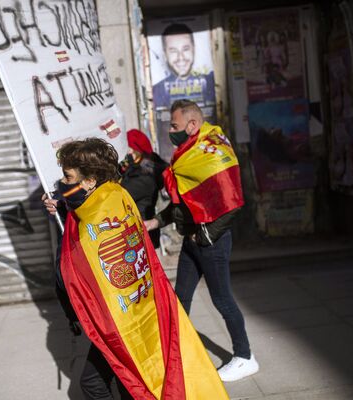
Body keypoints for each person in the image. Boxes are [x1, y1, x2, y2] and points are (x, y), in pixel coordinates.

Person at [43, 138, 229, 399]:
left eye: (68, 176)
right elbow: (80, 217)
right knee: (129, 381)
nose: (63, 182)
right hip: (137, 311)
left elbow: (78, 255)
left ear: (89, 180)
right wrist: (63, 206)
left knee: (104, 383)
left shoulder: (96, 213)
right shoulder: (115, 195)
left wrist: (65, 208)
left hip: (121, 322)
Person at [144, 100, 260, 382]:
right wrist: (156, 221)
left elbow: (232, 202)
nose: (171, 131)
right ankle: (177, 353)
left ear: (192, 125)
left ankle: (245, 356)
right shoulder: (188, 154)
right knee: (180, 298)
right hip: (193, 239)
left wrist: (205, 235)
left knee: (222, 300)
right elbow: (184, 204)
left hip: (212, 241)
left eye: (174, 125)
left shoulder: (212, 152)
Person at [119, 129, 168, 249]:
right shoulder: (135, 169)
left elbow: (120, 195)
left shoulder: (145, 175)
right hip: (135, 233)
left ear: (136, 151)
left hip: (140, 236)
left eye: (126, 147)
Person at [152, 23, 215, 110]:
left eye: (185, 49)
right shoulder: (156, 92)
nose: (181, 57)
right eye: (173, 51)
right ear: (165, 54)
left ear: (194, 48)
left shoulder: (212, 82)